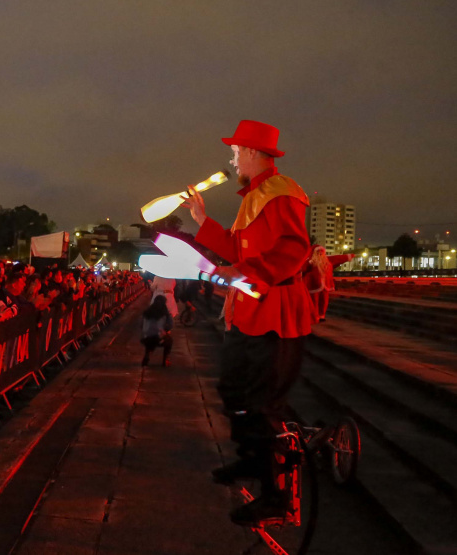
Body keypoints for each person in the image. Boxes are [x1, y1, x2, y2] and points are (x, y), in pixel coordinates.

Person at [182, 120, 312, 525]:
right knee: (233, 391)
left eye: (236, 151)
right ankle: (253, 462)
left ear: (254, 153)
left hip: (273, 315)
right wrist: (202, 219)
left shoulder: (280, 192)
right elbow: (237, 248)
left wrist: (252, 276)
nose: (233, 158)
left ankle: (277, 497)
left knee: (262, 404)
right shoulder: (254, 196)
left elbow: (294, 248)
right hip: (248, 314)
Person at [303, 245, 354, 322]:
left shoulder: (329, 260)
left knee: (324, 301)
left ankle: (321, 315)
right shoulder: (310, 262)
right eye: (318, 252)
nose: (320, 254)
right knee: (314, 301)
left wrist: (350, 256)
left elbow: (339, 258)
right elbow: (302, 269)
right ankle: (315, 316)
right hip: (313, 285)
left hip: (326, 284)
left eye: (322, 252)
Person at [140, 295, 173, 367]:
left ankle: (147, 354)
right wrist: (165, 330)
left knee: (151, 339)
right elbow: (170, 325)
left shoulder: (147, 312)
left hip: (145, 338)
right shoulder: (165, 313)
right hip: (158, 338)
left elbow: (141, 325)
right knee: (169, 340)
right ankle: (165, 360)